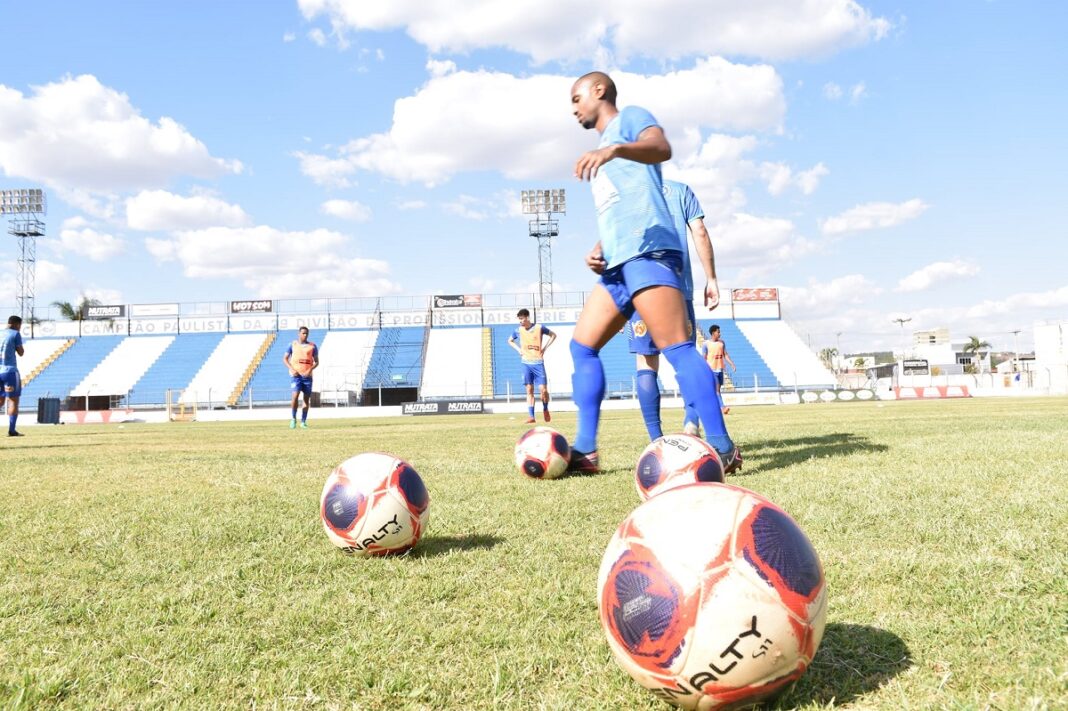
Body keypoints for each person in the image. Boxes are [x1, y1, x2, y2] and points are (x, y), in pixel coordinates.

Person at [567, 71, 740, 473]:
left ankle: (722, 447)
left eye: (576, 99)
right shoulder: (603, 152)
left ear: (598, 91)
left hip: (651, 255)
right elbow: (623, 208)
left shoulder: (628, 120)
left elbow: (661, 147)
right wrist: (599, 249)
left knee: (677, 348)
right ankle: (586, 450)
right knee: (582, 346)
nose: (574, 109)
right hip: (619, 263)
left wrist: (614, 150)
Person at [626, 178, 722, 440]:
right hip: (678, 288)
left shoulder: (628, 192)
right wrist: (711, 278)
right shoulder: (681, 191)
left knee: (646, 361)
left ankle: (656, 440)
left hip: (640, 289)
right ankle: (692, 422)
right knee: (687, 358)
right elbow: (699, 230)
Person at [508, 308, 556, 423]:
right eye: (519, 319)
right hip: (526, 363)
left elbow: (553, 335)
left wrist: (545, 348)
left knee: (543, 390)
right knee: (529, 389)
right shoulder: (518, 330)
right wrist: (519, 350)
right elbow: (510, 340)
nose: (520, 321)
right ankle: (531, 416)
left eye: (522, 319)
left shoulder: (539, 328)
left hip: (538, 363)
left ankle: (545, 408)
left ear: (527, 317)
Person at [283, 326, 319, 429]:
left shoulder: (312, 346)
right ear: (299, 333)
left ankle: (303, 421)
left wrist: (310, 369)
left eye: (306, 333)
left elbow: (317, 362)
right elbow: (285, 359)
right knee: (295, 396)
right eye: (303, 333)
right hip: (296, 376)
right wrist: (291, 369)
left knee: (306, 399)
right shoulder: (292, 344)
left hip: (307, 376)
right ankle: (293, 419)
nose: (305, 335)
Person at [703, 324, 736, 415]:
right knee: (717, 390)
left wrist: (732, 364)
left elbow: (725, 355)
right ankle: (723, 408)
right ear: (713, 333)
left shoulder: (722, 343)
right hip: (711, 370)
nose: (720, 333)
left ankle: (711, 406)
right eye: (718, 332)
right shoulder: (706, 344)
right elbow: (704, 358)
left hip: (720, 370)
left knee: (716, 391)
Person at [1, 315, 25, 437]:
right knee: (13, 401)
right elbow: (21, 352)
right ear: (17, 324)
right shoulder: (15, 334)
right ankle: (12, 430)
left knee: (0, 401)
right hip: (9, 371)